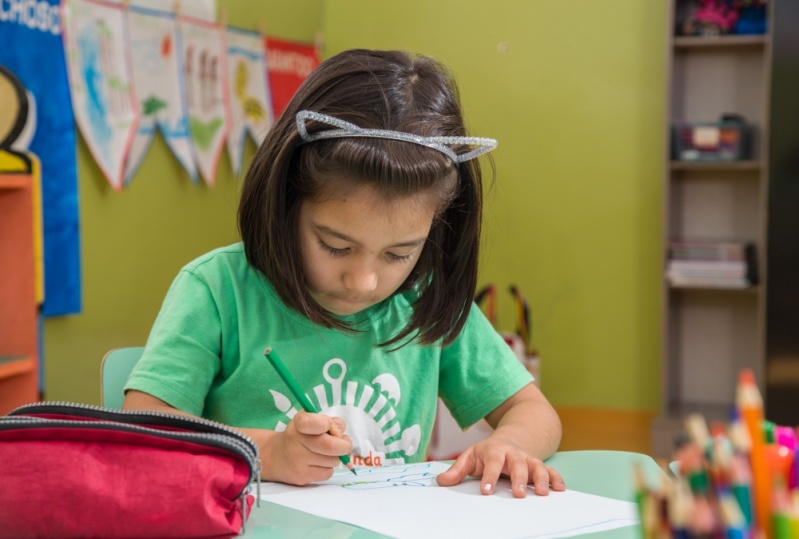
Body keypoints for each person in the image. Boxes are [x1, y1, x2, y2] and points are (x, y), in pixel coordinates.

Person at [123, 48, 564, 498]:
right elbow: (143, 426)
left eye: (399, 254)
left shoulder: (425, 302)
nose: (363, 281)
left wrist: (509, 443)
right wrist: (268, 453)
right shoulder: (218, 290)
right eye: (336, 246)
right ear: (287, 203)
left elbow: (534, 411)